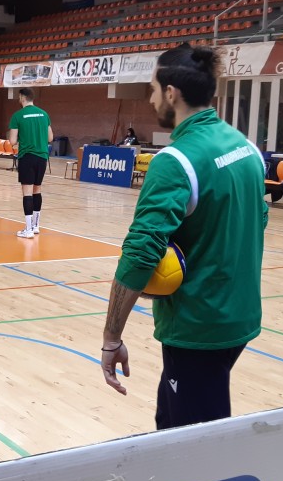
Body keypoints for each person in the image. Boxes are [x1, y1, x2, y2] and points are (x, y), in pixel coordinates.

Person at [100, 45, 268, 431]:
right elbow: (258, 223)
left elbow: (141, 254)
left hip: (198, 327)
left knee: (194, 445)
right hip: (240, 317)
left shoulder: (175, 162)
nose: (152, 97)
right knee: (170, 417)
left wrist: (112, 337)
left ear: (172, 93)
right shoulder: (248, 149)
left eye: (154, 89)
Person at [7, 88, 53, 239]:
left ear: (22, 97)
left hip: (27, 156)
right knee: (37, 190)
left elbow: (12, 141)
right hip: (42, 157)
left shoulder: (17, 116)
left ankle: (28, 229)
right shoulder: (44, 114)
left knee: (27, 193)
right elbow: (50, 138)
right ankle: (36, 225)